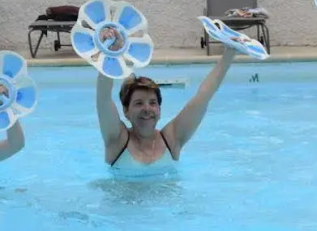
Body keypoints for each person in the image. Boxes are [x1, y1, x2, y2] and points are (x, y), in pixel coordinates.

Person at [94, 47, 234, 171]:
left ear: (159, 110)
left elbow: (203, 96)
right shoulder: (117, 140)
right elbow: (103, 98)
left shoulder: (171, 139)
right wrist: (110, 52)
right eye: (139, 103)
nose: (147, 109)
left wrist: (230, 52)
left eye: (153, 103)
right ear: (126, 111)